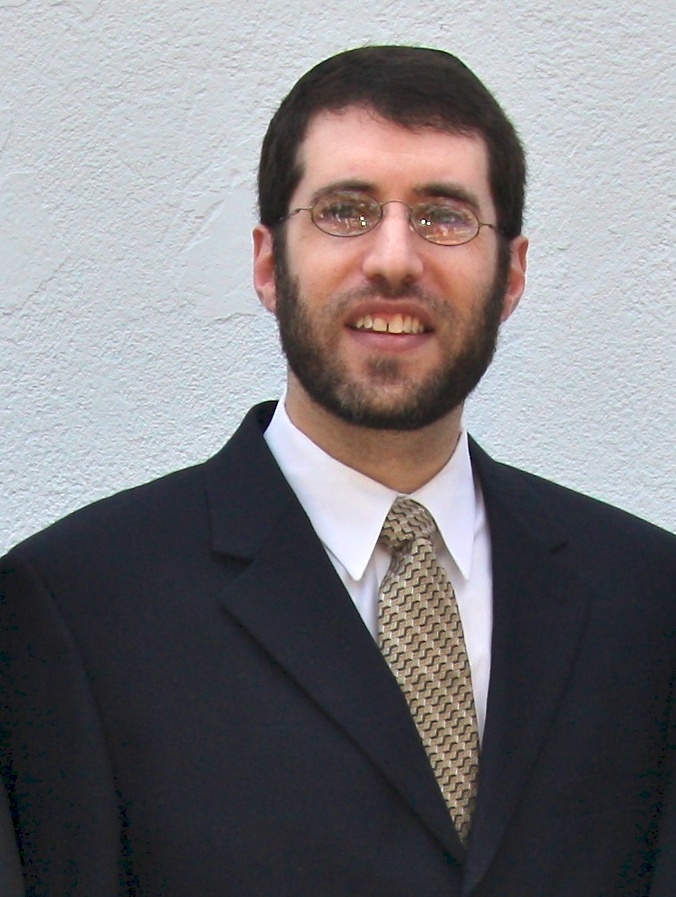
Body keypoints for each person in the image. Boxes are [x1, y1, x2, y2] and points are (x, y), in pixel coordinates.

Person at [1, 45, 674, 897]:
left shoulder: (647, 600)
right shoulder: (77, 607)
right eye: (345, 212)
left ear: (512, 276)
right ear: (267, 264)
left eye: (444, 216)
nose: (394, 259)